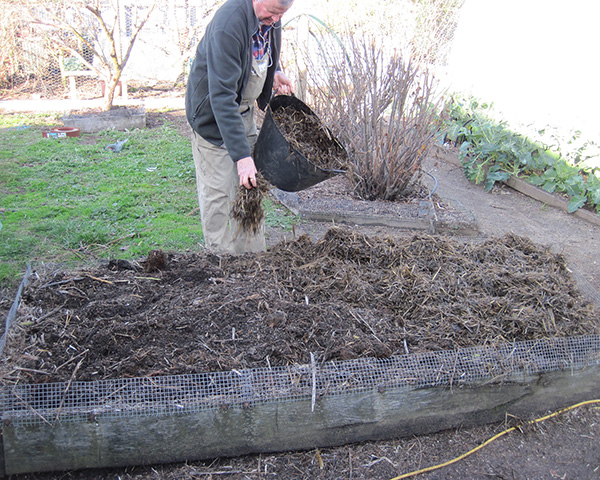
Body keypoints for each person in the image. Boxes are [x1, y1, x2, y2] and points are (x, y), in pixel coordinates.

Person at [185, 0, 295, 254]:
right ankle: (222, 260)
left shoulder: (268, 17)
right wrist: (242, 156)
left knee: (250, 187)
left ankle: (253, 259)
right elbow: (222, 97)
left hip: (242, 112)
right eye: (273, 12)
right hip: (213, 118)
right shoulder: (229, 24)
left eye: (282, 15)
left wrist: (274, 71)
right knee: (220, 192)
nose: (276, 20)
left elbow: (259, 51)